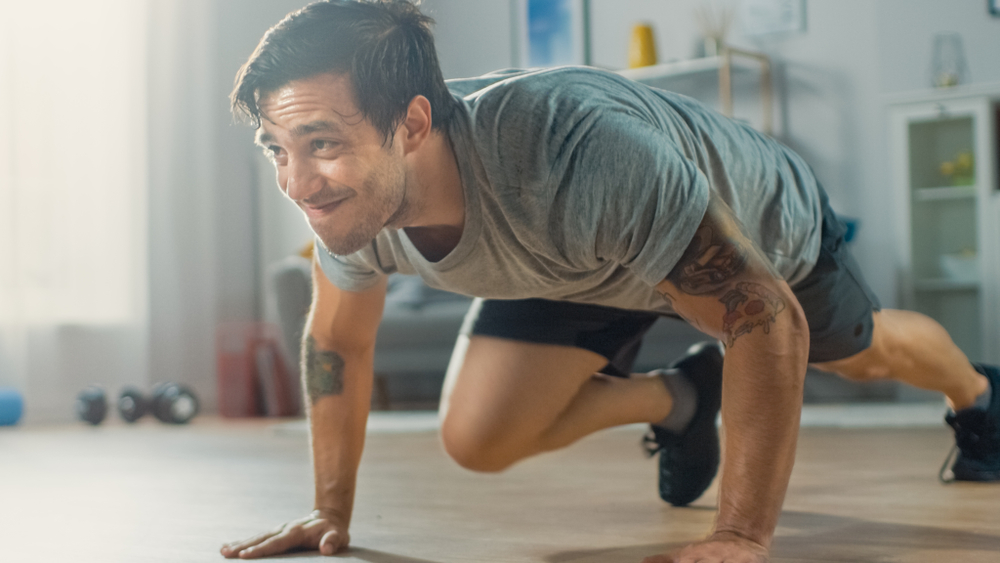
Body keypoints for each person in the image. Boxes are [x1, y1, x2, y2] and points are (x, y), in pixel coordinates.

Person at [220, 1, 1000, 561]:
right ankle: (687, 397)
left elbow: (766, 315)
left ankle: (978, 394)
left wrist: (740, 535)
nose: (297, 182)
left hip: (757, 227)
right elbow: (337, 344)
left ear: (414, 124)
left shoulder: (574, 151)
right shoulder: (353, 208)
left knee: (859, 354)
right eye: (275, 148)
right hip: (577, 260)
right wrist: (329, 511)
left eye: (319, 142)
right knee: (478, 438)